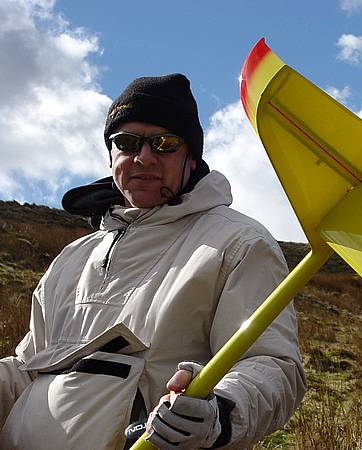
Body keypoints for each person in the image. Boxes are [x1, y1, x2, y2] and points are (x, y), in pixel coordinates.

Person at [0, 73, 307, 449]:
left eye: (164, 144)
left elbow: (273, 365)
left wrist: (220, 412)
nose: (143, 157)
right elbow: (28, 368)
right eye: (127, 143)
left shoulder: (238, 243)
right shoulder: (72, 258)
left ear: (191, 159)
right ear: (112, 155)